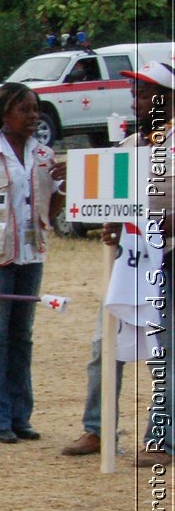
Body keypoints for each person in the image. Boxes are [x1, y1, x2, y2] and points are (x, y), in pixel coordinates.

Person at [61, 59, 174, 465]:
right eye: (134, 93)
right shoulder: (129, 147)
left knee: (165, 352)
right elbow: (114, 200)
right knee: (103, 345)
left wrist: (156, 221)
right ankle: (98, 429)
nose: (136, 100)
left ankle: (162, 439)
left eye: (144, 94)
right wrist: (112, 226)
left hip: (168, 261)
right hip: (127, 262)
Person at [0, 81, 65, 443]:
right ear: (5, 114)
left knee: (22, 337)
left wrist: (62, 188)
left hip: (30, 256)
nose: (33, 116)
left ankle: (21, 416)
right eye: (25, 110)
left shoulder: (43, 156)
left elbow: (50, 211)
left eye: (35, 109)